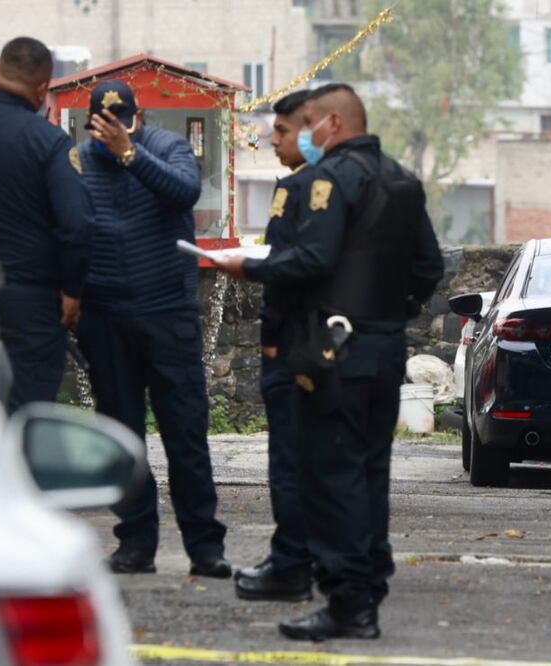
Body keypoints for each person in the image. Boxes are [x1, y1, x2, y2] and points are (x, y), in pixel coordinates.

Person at [215, 83, 444, 640]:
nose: (306, 132)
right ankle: (366, 587)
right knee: (369, 474)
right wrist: (388, 314)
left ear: (334, 124)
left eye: (310, 121)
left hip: (336, 354)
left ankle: (349, 604)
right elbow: (428, 268)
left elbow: (313, 259)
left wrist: (249, 267)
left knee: (331, 478)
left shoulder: (330, 179)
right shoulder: (402, 179)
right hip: (384, 349)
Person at [73, 80, 230, 578]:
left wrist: (130, 154)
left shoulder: (168, 148)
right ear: (91, 123)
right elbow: (68, 228)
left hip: (167, 313)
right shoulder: (78, 161)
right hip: (105, 315)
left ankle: (205, 547)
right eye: (104, 125)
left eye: (122, 122)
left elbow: (184, 191)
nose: (113, 132)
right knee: (121, 437)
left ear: (137, 118)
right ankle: (136, 544)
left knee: (185, 432)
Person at [0, 37, 92, 413]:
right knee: (26, 414)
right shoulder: (50, 143)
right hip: (29, 305)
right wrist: (72, 293)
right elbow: (76, 225)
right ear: (44, 87)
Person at [233, 90, 315, 603]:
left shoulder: (302, 188)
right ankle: (300, 558)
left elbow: (285, 270)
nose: (271, 140)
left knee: (290, 462)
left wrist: (270, 340)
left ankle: (292, 565)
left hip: (297, 345)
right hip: (333, 344)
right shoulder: (358, 181)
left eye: (282, 131)